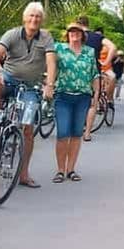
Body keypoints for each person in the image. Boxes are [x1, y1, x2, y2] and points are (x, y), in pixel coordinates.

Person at [0, 2, 56, 188]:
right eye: (31, 16)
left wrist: (50, 85)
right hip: (9, 79)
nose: (34, 19)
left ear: (41, 20)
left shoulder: (46, 37)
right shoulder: (13, 34)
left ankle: (23, 174)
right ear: (24, 18)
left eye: (37, 16)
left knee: (28, 130)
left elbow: (51, 62)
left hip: (30, 87)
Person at [51, 23, 99, 183]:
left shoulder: (89, 52)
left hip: (83, 97)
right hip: (63, 95)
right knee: (63, 133)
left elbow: (94, 74)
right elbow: (50, 65)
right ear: (67, 34)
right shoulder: (59, 49)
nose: (74, 34)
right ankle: (60, 170)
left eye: (77, 31)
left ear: (82, 34)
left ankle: (71, 169)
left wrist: (96, 95)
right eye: (71, 31)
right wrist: (48, 84)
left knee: (77, 134)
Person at [78, 17, 117, 138]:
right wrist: (105, 62)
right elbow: (113, 47)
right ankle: (87, 133)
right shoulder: (97, 37)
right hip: (94, 71)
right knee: (93, 102)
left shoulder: (74, 35)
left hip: (78, 70)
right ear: (88, 24)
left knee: (79, 99)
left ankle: (79, 125)